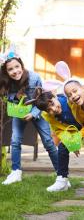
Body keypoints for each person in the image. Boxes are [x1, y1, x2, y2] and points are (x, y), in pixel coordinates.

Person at [0, 53, 58, 185]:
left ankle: (62, 174)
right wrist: (14, 97)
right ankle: (16, 172)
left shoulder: (34, 78)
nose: (15, 71)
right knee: (15, 140)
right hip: (19, 112)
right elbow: (8, 98)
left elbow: (43, 99)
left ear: (22, 65)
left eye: (17, 67)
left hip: (37, 110)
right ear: (6, 72)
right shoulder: (6, 82)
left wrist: (33, 113)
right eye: (10, 69)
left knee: (48, 142)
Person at [29, 88, 81, 191]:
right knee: (62, 147)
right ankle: (62, 180)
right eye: (49, 110)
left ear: (55, 96)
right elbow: (58, 130)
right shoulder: (49, 116)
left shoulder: (68, 101)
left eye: (53, 104)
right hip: (74, 131)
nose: (54, 109)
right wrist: (73, 143)